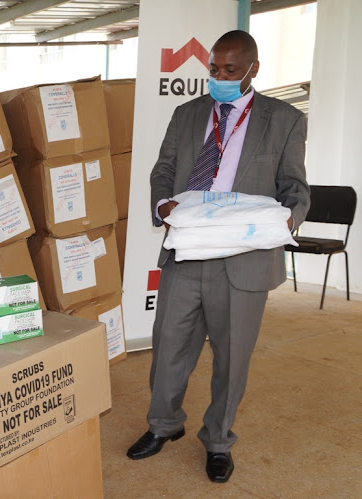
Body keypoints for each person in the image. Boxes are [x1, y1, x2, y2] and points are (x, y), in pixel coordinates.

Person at [126, 30, 310, 483]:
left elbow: (295, 187)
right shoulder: (187, 113)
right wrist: (162, 204)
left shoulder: (284, 119)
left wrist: (289, 221)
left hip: (244, 258)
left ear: (253, 69)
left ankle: (218, 441)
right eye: (213, 69)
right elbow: (163, 170)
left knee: (232, 358)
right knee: (169, 347)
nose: (220, 77)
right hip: (188, 250)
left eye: (230, 70)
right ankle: (164, 425)